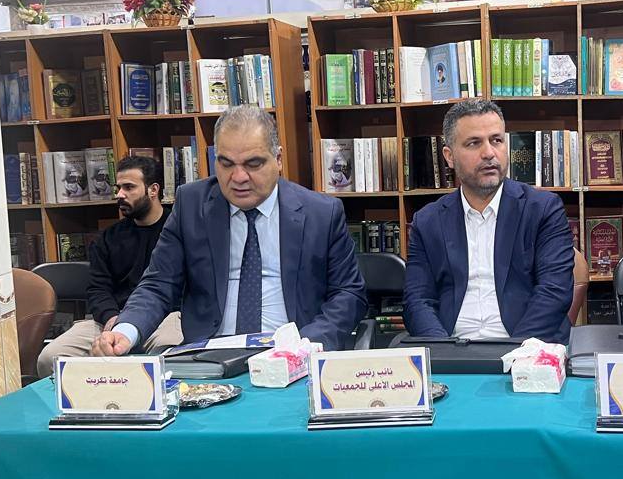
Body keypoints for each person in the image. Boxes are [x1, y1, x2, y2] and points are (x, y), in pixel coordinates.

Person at [93, 105, 367, 355]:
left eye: (253, 164)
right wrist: (126, 331)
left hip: (293, 352)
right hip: (210, 356)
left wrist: (308, 344)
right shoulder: (191, 205)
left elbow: (348, 293)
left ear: (278, 159)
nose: (238, 178)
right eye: (226, 164)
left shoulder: (321, 213)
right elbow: (159, 284)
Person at [403, 98, 575, 343]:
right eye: (474, 143)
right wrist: (441, 349)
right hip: (453, 347)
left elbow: (554, 292)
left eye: (496, 140)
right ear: (449, 157)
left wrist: (516, 353)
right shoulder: (427, 221)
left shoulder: (543, 209)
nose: (489, 153)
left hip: (525, 346)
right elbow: (417, 300)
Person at [36, 155, 181, 377]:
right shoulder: (108, 238)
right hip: (112, 319)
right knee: (51, 358)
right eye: (118, 188)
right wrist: (111, 317)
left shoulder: (177, 232)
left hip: (165, 317)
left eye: (129, 187)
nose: (119, 194)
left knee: (171, 356)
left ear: (153, 190)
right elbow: (98, 288)